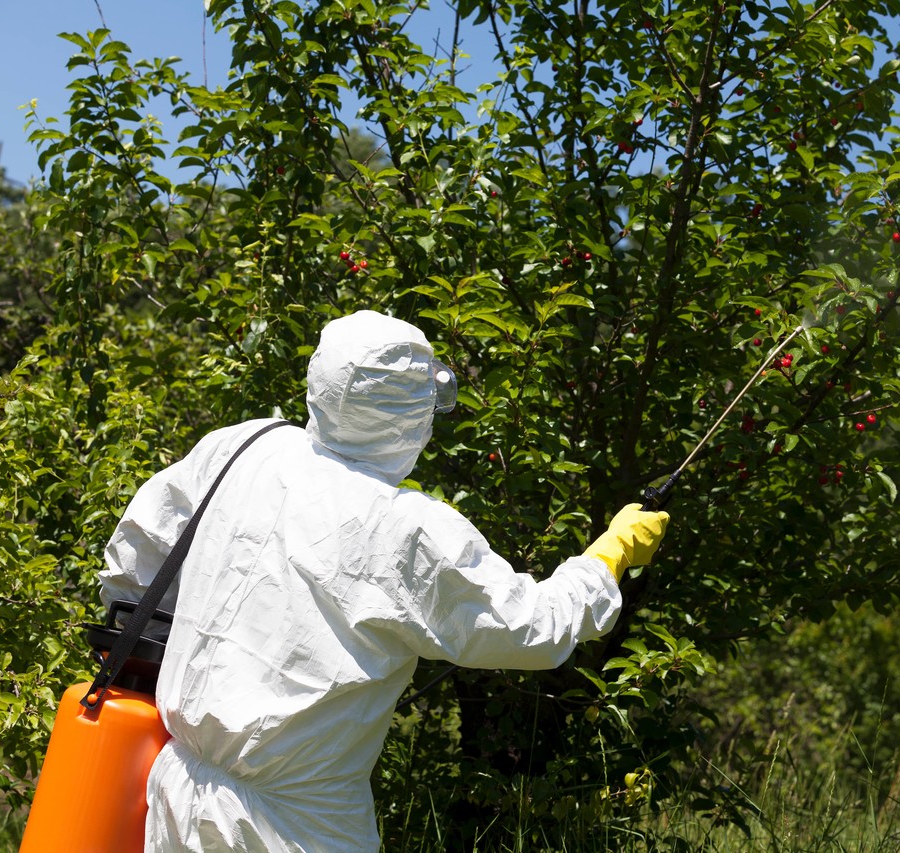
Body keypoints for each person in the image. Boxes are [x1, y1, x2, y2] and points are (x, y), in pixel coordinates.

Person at [98, 309, 670, 852]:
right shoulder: (405, 529)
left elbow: (135, 562)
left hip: (177, 790)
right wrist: (607, 558)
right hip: (299, 826)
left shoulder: (248, 446)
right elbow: (533, 628)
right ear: (413, 415)